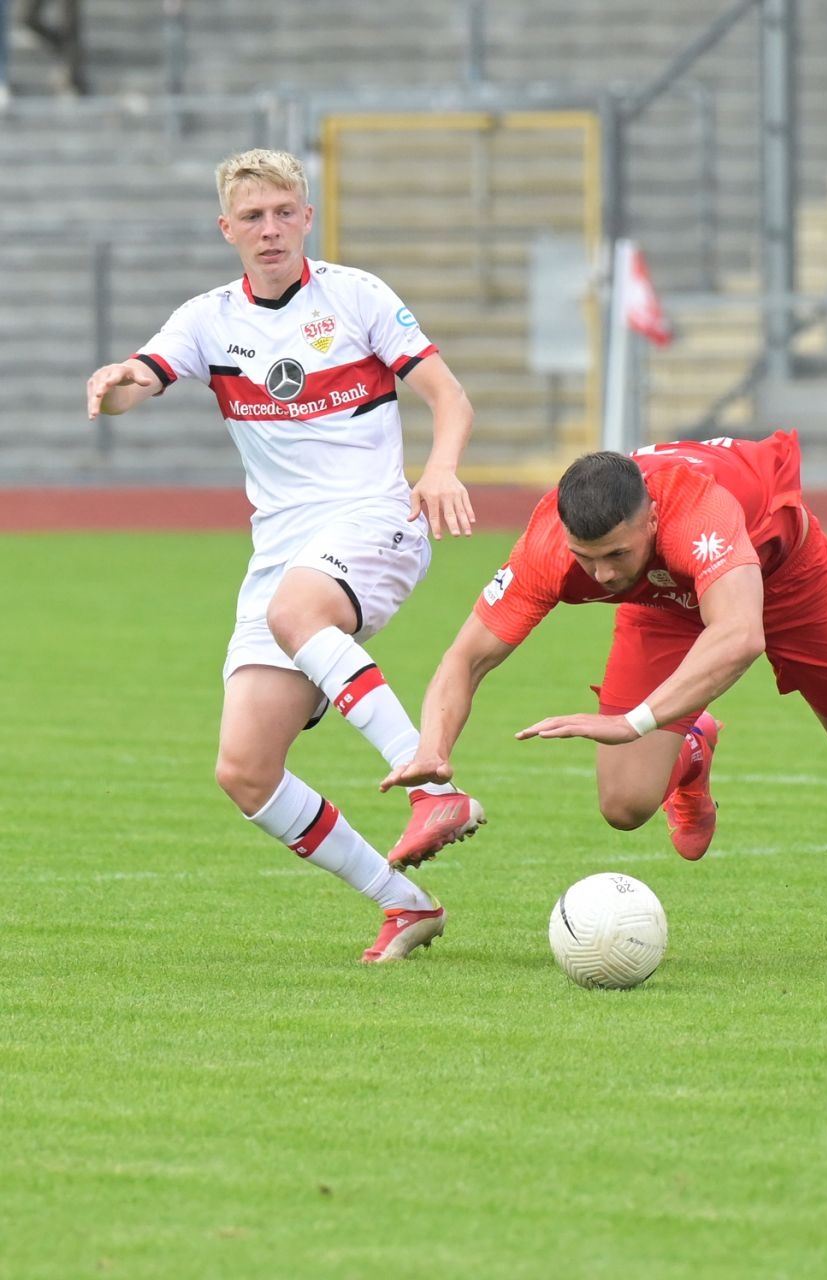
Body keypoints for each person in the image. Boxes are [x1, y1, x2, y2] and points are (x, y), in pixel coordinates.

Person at [83, 147, 485, 964]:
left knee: (295, 612)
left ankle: (436, 790)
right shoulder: (207, 320)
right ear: (226, 229)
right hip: (283, 552)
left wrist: (441, 467)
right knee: (245, 770)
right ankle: (404, 903)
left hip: (376, 518)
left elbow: (449, 395)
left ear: (306, 217)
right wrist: (115, 380)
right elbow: (139, 384)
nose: (269, 229)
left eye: (282, 213)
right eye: (252, 217)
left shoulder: (357, 296)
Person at [378, 433, 827, 858]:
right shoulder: (547, 546)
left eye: (616, 554)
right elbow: (466, 658)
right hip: (662, 602)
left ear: (652, 518)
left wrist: (634, 722)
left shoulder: (697, 510)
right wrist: (433, 750)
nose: (603, 575)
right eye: (586, 558)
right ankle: (693, 748)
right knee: (624, 805)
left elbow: (739, 635)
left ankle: (679, 725)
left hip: (786, 577)